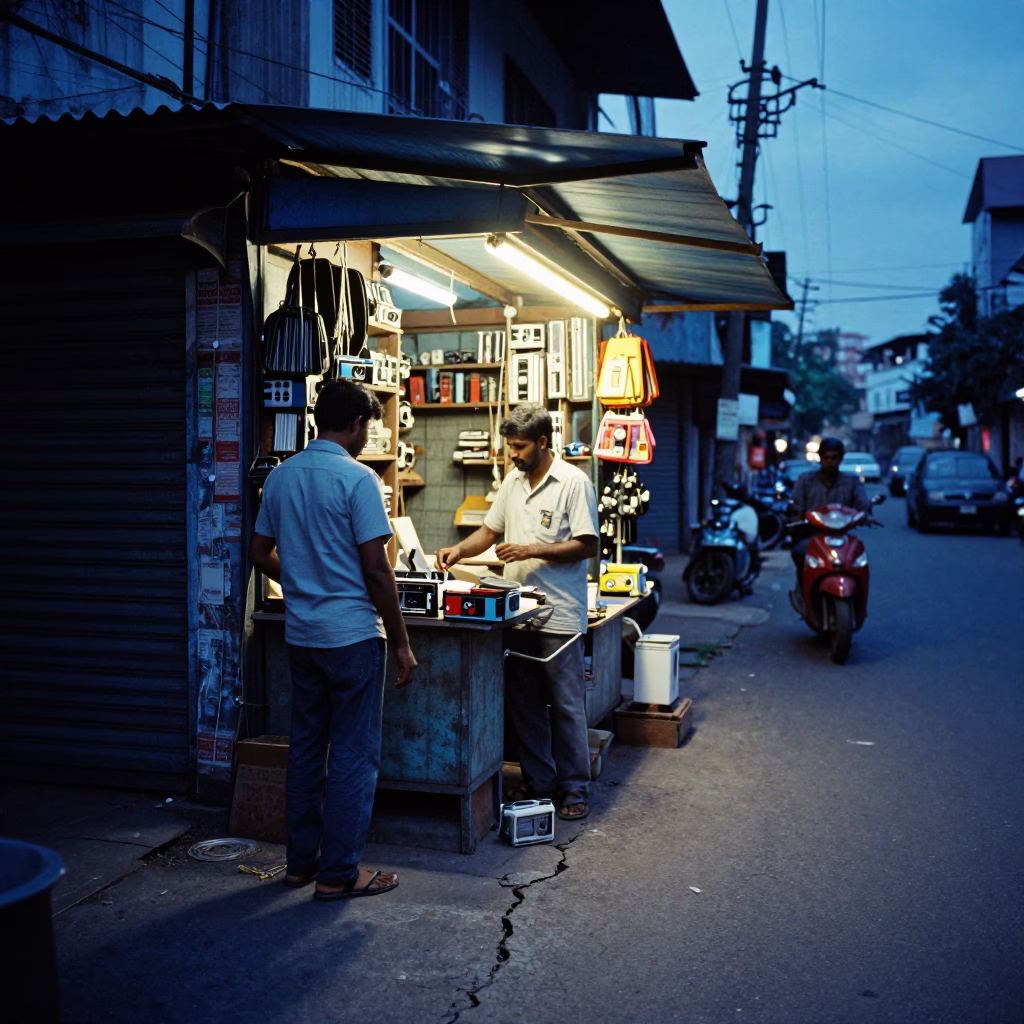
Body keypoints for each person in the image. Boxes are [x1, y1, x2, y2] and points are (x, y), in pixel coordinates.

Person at [249, 379, 417, 901]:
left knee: (305, 750)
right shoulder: (359, 479)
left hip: (303, 637)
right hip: (350, 639)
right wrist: (402, 641)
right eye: (368, 424)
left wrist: (299, 581)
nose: (368, 434)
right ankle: (339, 874)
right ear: (356, 423)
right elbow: (377, 571)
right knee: (351, 755)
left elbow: (258, 553)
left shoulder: (282, 477)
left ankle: (300, 865)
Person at [437, 405, 598, 822]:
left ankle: (574, 787)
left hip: (559, 616)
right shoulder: (512, 481)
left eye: (520, 446)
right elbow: (489, 532)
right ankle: (539, 781)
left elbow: (587, 544)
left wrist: (530, 549)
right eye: (510, 446)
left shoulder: (574, 483)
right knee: (524, 704)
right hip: (517, 613)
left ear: (543, 442)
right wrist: (458, 549)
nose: (514, 454)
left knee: (565, 706)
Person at [789, 436, 870, 597]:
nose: (830, 462)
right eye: (826, 457)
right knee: (799, 552)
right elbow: (796, 504)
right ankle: (803, 589)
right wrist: (797, 516)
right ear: (820, 458)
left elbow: (862, 503)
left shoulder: (851, 482)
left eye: (834, 458)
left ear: (840, 459)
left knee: (859, 559)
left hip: (842, 537)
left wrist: (865, 513)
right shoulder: (805, 480)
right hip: (812, 535)